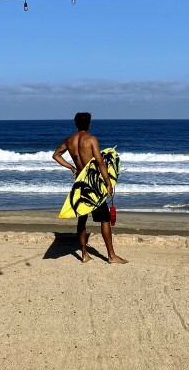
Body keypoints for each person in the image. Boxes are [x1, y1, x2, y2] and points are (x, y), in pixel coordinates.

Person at [52, 112, 127, 264]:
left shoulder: (69, 140)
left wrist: (72, 168)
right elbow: (100, 163)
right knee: (104, 219)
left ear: (75, 124)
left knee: (82, 219)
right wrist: (108, 183)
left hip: (80, 183)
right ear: (90, 124)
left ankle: (84, 255)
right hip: (93, 184)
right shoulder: (91, 140)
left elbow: (56, 155)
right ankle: (111, 256)